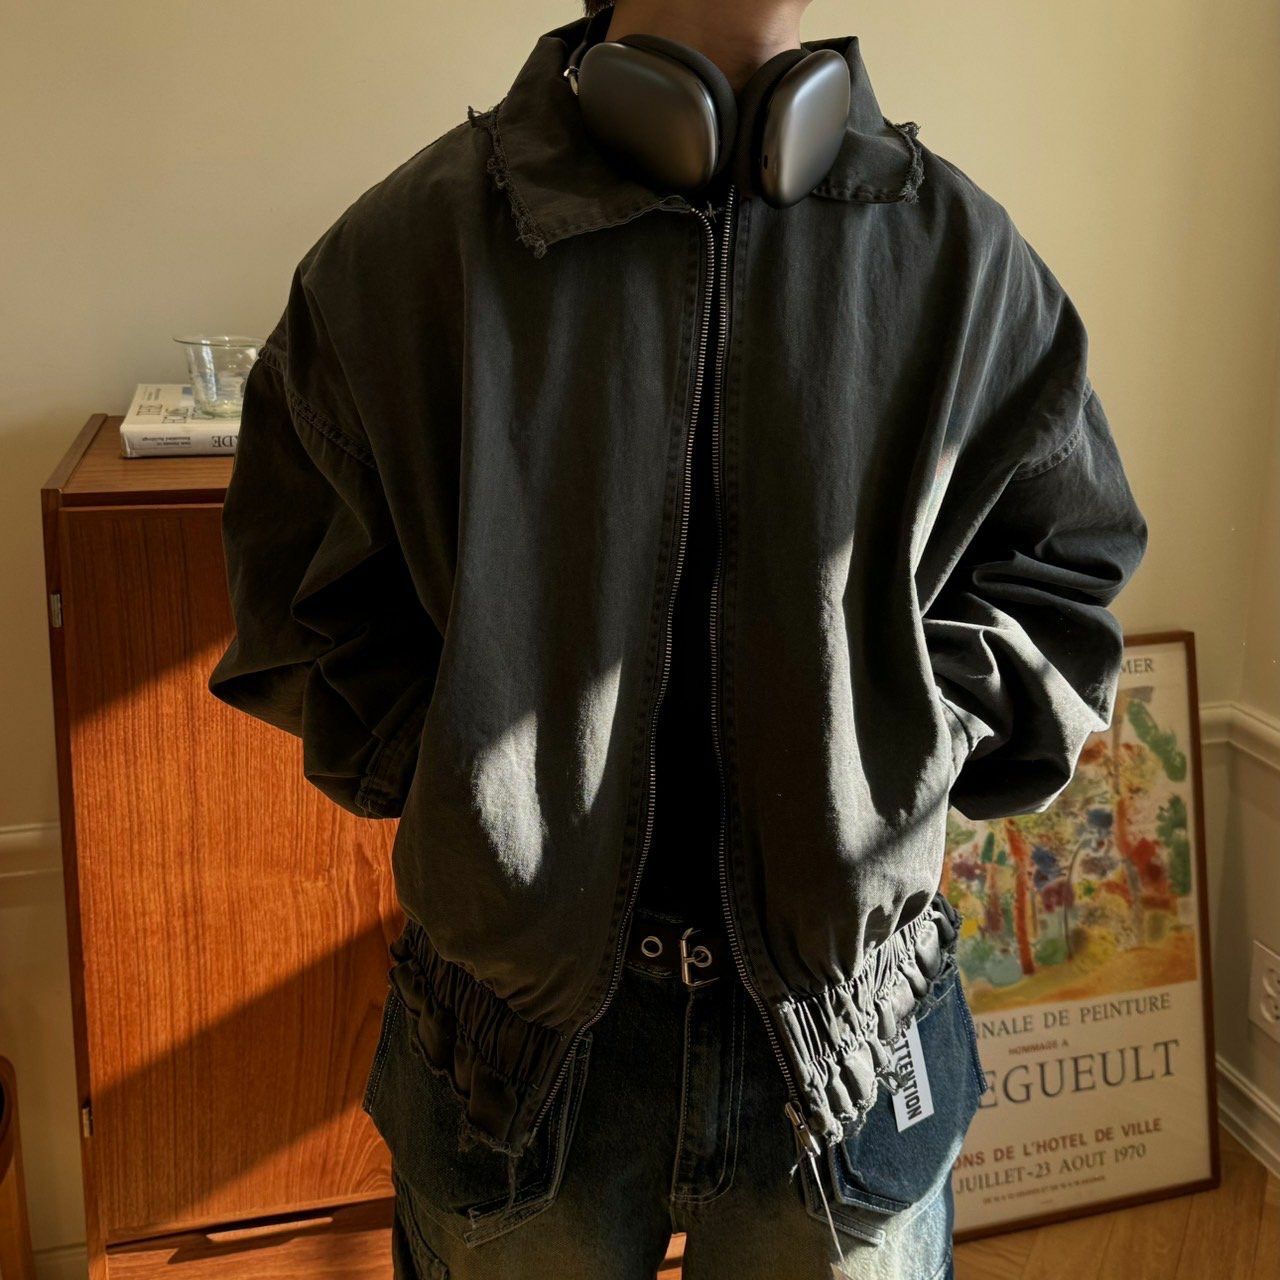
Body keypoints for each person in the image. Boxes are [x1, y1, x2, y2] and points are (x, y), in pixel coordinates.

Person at [207, 0, 1149, 1275]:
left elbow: (1063, 565)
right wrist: (458, 776)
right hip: (506, 1059)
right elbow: (302, 592)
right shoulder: (409, 249)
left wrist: (910, 745)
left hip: (849, 1053)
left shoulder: (962, 260)